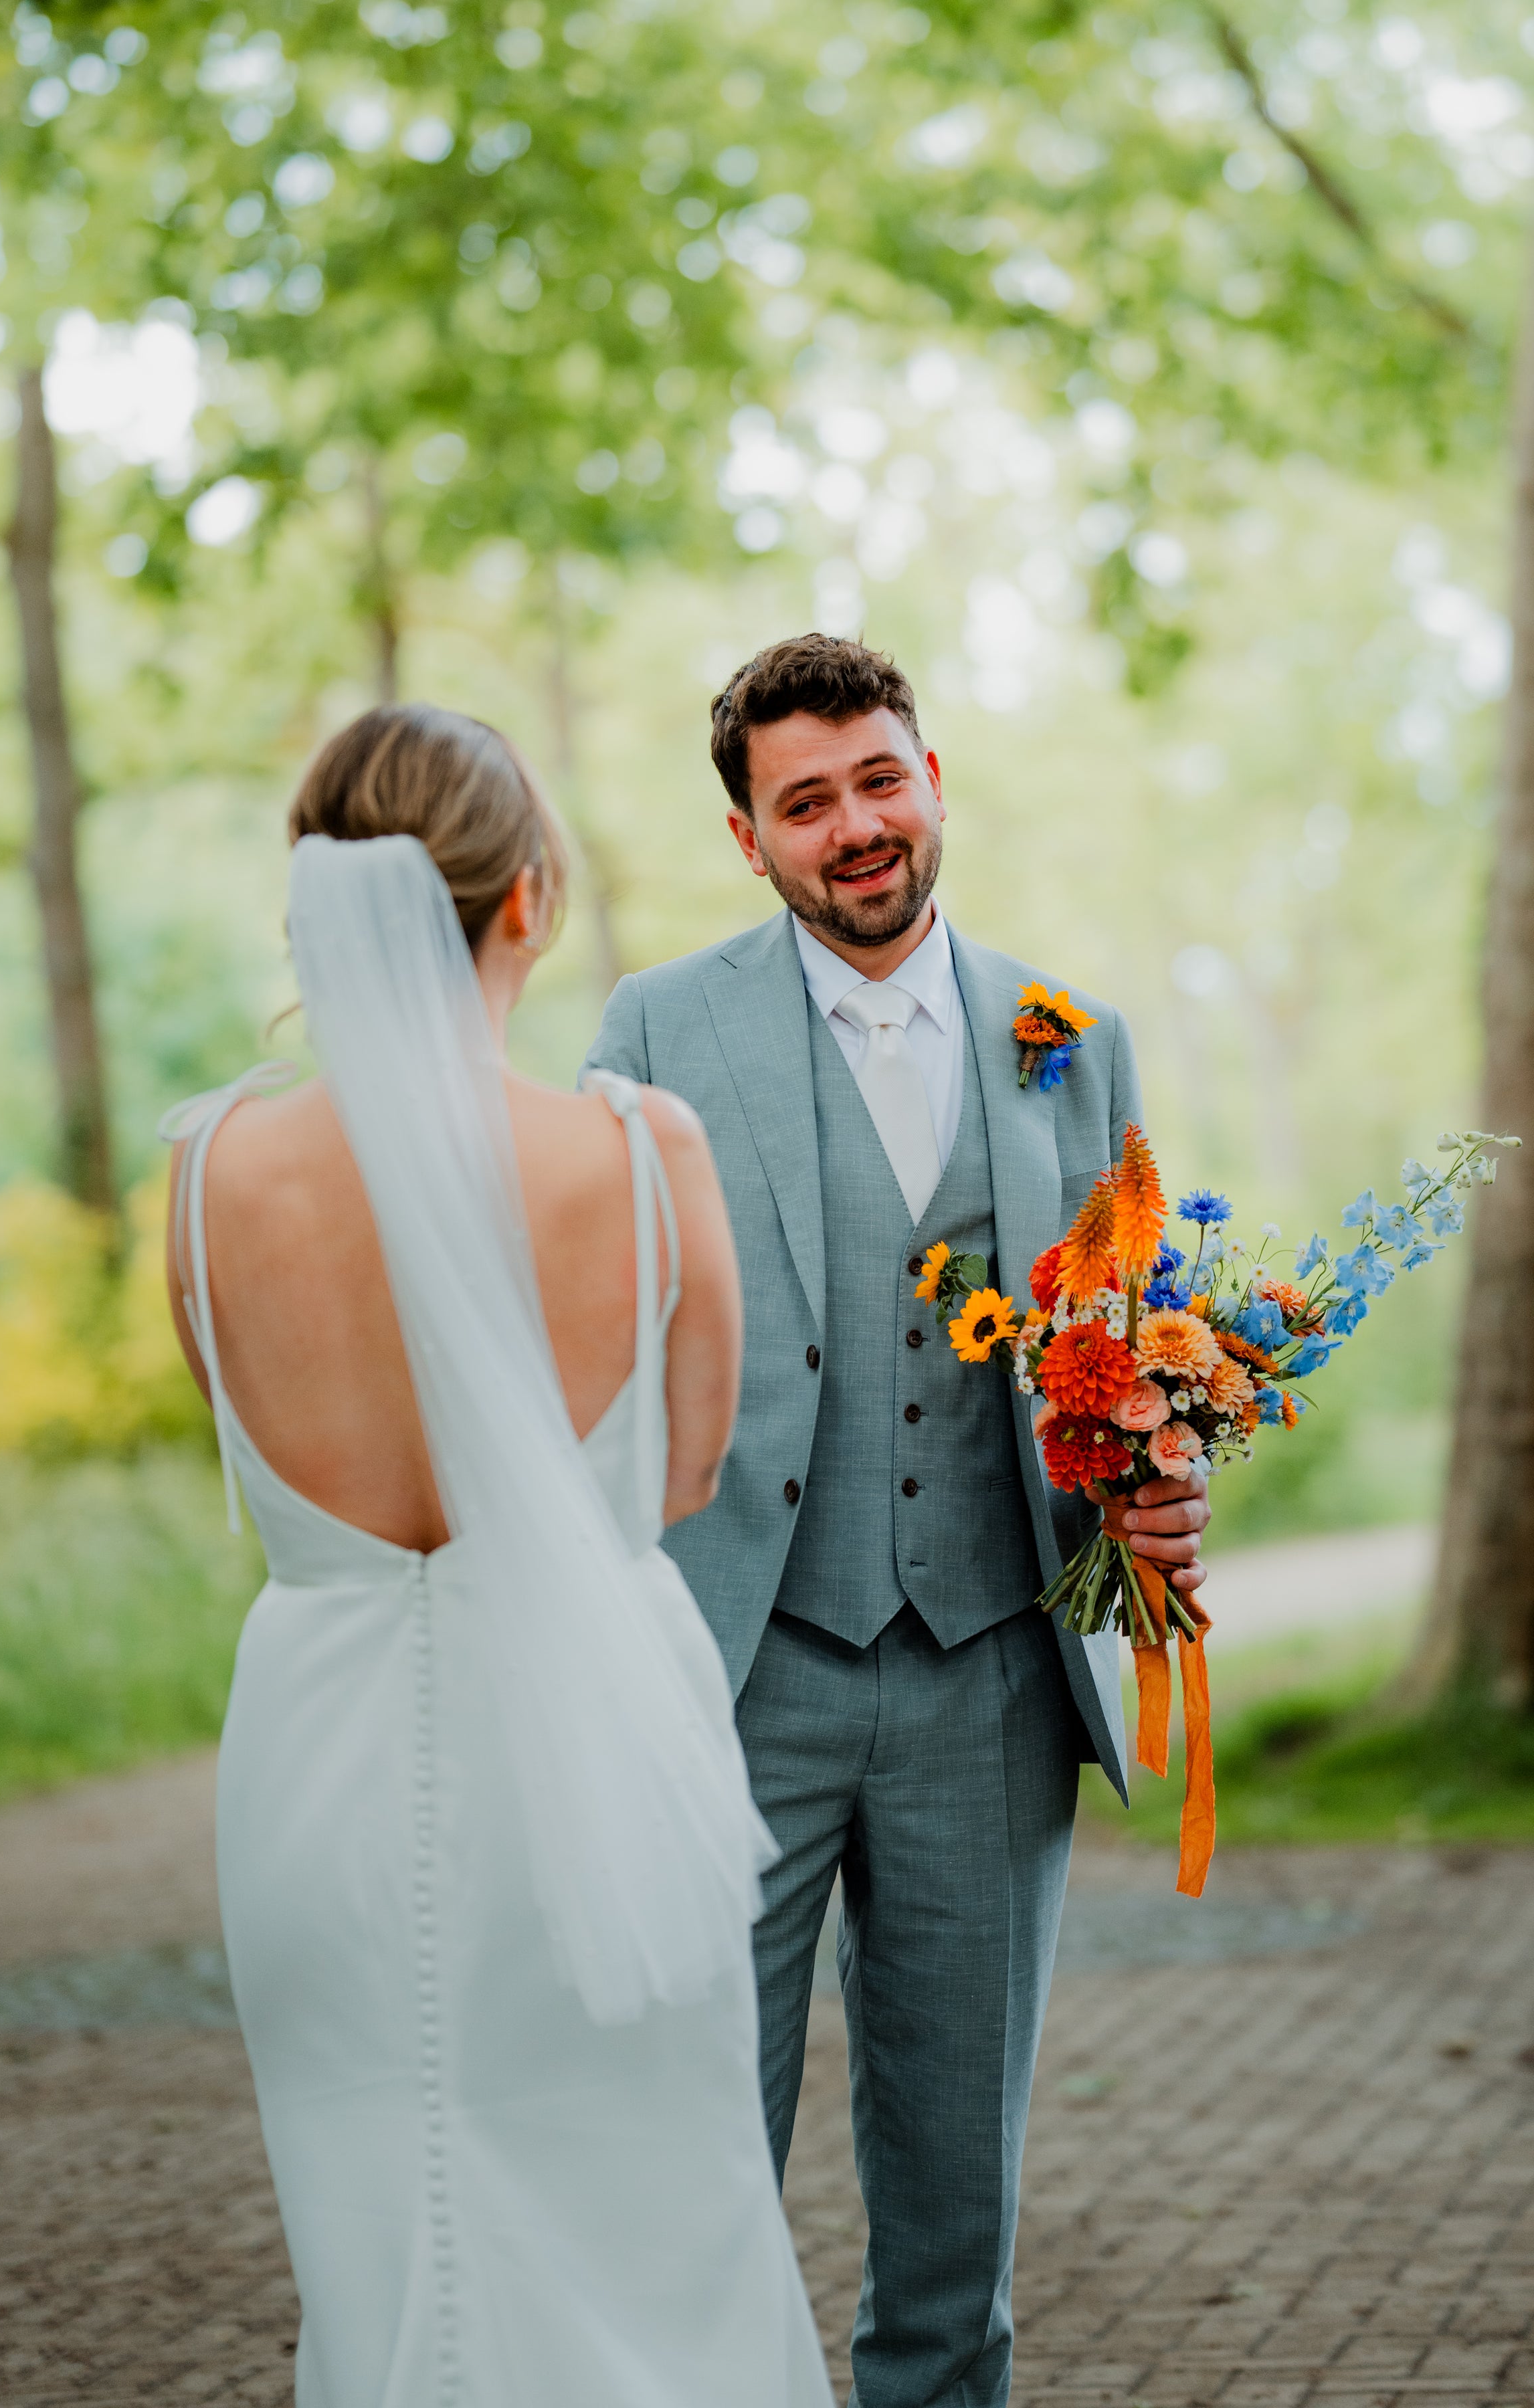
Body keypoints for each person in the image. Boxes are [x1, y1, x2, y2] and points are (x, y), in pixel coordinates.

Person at [162, 704, 834, 2407]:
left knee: (384, 2224)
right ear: (526, 900)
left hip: (318, 1781)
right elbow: (682, 1477)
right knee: (659, 2230)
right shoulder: (636, 1151)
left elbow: (245, 1436)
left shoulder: (207, 1178)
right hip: (596, 1763)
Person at [583, 633, 1211, 2408]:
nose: (855, 826)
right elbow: (597, 1350)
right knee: (693, 2162)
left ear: (931, 778)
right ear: (750, 840)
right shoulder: (656, 1030)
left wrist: (1163, 1481)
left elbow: (1130, 1341)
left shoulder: (1068, 1041)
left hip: (994, 1678)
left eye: (879, 779)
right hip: (741, 1677)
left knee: (957, 2212)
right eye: (807, 803)